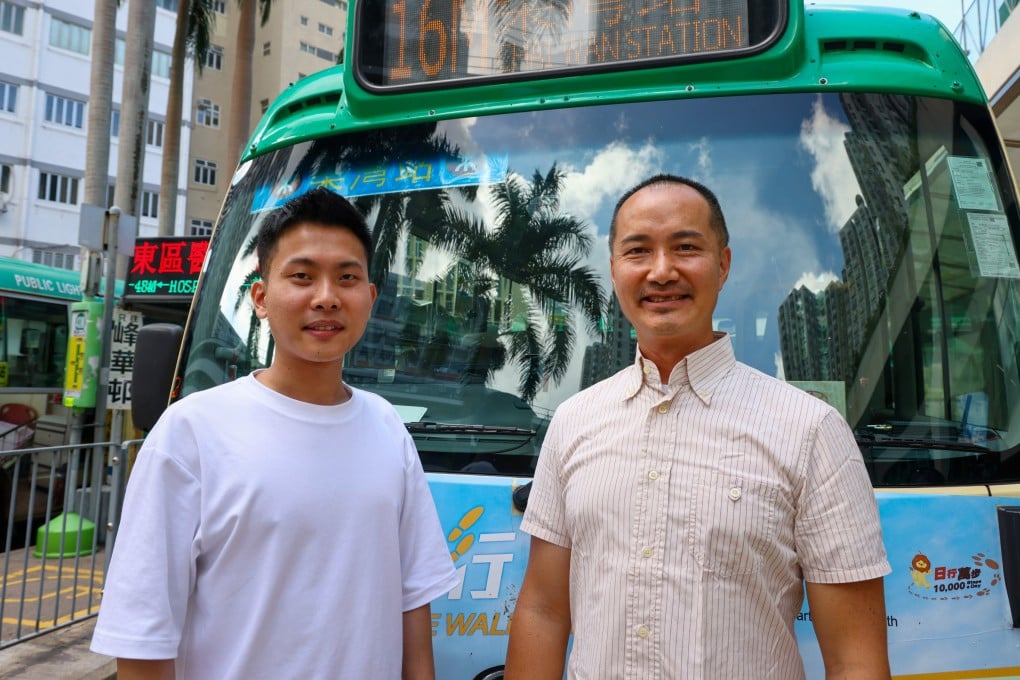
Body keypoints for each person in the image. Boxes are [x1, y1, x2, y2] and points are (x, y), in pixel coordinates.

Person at [504, 175, 891, 679]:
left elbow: (854, 660)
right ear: (615, 269)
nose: (661, 272)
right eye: (638, 251)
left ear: (724, 264)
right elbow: (544, 611)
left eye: (686, 247)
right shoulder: (574, 421)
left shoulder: (811, 429)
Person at [91, 187, 458, 679]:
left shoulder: (388, 428)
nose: (326, 298)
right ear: (261, 297)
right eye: (302, 277)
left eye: (347, 278)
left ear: (369, 297)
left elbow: (412, 599)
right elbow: (143, 636)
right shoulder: (191, 433)